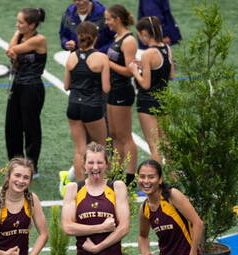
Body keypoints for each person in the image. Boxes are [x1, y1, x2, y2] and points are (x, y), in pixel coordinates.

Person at [64, 22, 110, 183]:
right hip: (93, 107)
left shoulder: (71, 57)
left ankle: (80, 186)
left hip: (74, 106)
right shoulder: (102, 58)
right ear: (95, 38)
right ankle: (100, 184)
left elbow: (66, 85)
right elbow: (106, 88)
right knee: (101, 148)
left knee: (79, 150)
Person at [5, 8, 47, 177]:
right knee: (12, 126)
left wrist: (17, 33)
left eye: (21, 22)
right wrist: (19, 32)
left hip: (32, 87)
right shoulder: (23, 36)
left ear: (32, 25)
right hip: (17, 85)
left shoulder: (39, 39)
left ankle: (31, 164)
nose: (17, 25)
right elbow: (13, 54)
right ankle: (15, 162)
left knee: (31, 127)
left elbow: (12, 50)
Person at [129, 16, 174, 162]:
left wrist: (135, 70)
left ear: (144, 34)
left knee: (154, 147)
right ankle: (174, 179)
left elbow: (145, 84)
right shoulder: (167, 48)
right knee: (167, 144)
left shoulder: (148, 54)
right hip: (163, 99)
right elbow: (171, 75)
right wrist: (145, 67)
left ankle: (157, 183)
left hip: (147, 103)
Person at [105, 4, 138, 186]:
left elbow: (129, 70)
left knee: (125, 136)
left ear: (118, 19)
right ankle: (117, 172)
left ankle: (130, 175)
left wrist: (108, 63)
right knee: (115, 134)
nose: (106, 22)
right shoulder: (117, 37)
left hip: (123, 90)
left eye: (109, 18)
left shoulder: (128, 41)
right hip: (113, 89)